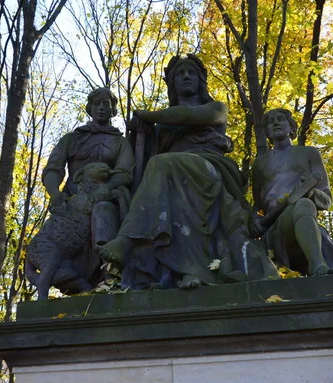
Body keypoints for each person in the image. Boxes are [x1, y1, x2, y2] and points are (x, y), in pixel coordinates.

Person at [99, 54, 278, 290]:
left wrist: (149, 116)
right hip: (173, 176)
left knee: (162, 164)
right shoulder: (162, 125)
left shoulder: (216, 108)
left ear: (200, 81)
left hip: (210, 167)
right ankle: (186, 270)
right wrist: (139, 132)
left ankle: (125, 240)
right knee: (169, 185)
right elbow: (143, 158)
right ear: (172, 83)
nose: (185, 77)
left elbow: (187, 116)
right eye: (179, 74)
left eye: (191, 73)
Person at [42, 87, 134, 282]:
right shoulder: (72, 139)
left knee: (102, 211)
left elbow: (124, 173)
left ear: (113, 110)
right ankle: (67, 276)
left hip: (107, 197)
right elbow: (53, 169)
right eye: (96, 103)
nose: (101, 108)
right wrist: (54, 192)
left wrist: (106, 189)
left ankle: (110, 273)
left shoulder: (120, 142)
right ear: (89, 108)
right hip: (74, 199)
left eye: (106, 104)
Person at [251, 108, 333, 276]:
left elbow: (326, 199)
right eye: (271, 122)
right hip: (275, 227)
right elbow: (258, 204)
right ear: (267, 132)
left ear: (292, 128)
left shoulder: (309, 154)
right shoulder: (260, 164)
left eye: (280, 119)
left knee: (304, 204)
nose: (276, 123)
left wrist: (310, 193)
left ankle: (318, 266)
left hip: (304, 216)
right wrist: (256, 221)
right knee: (303, 205)